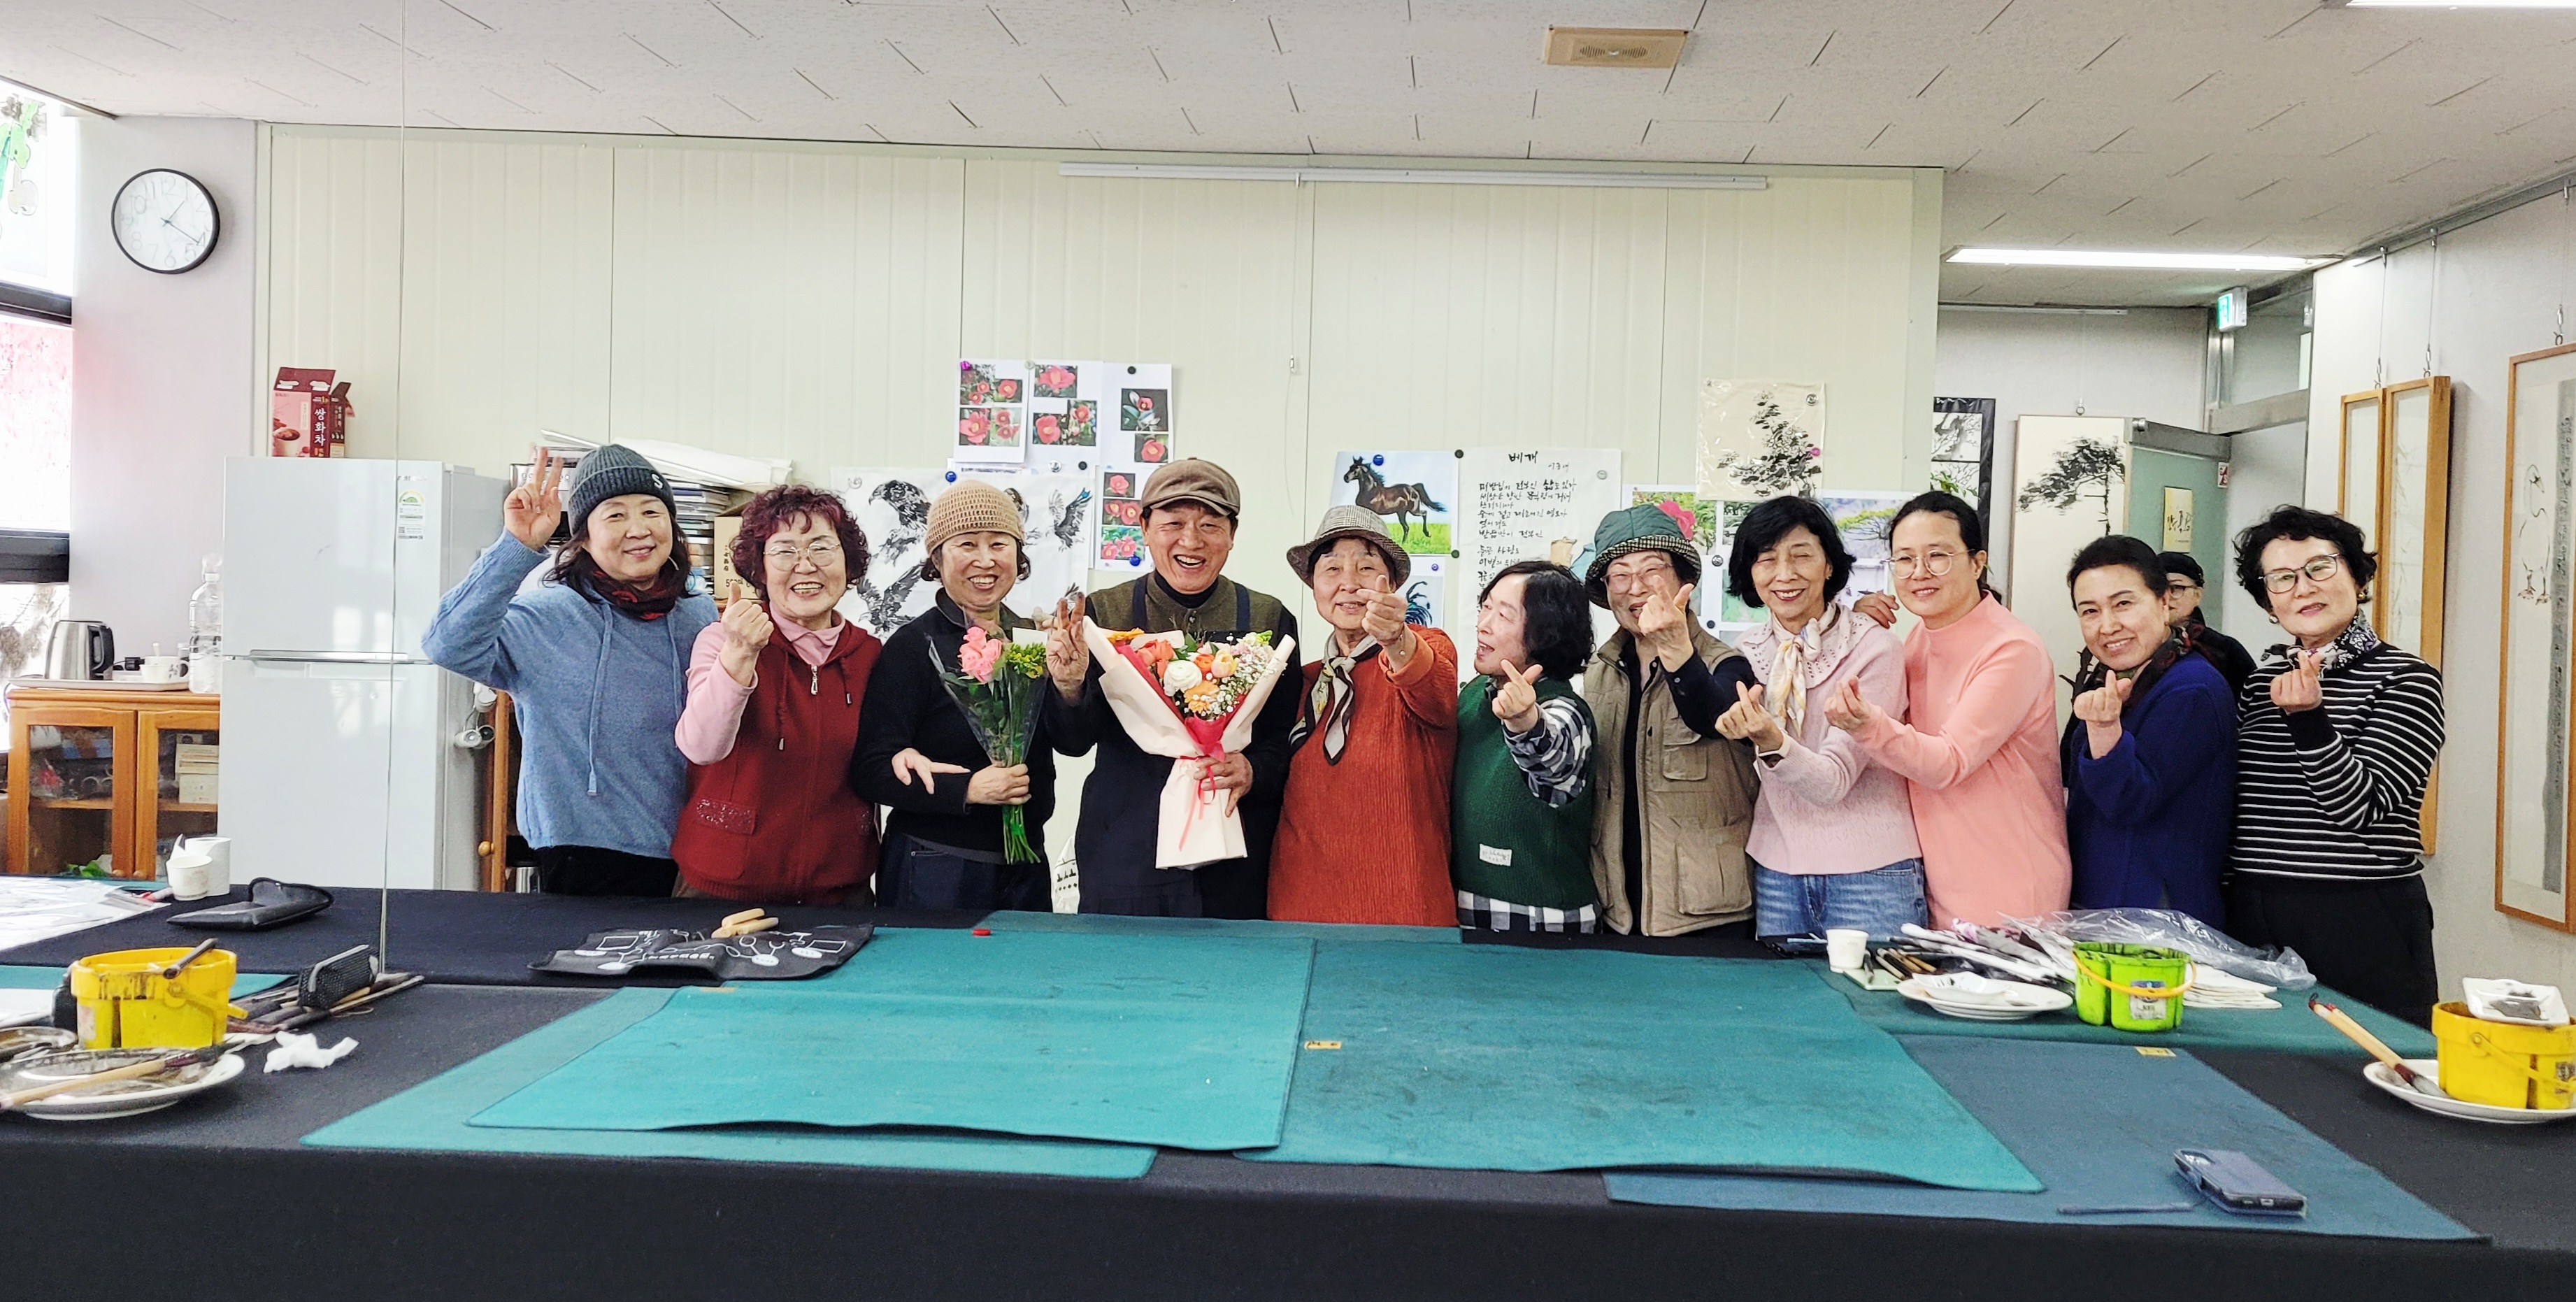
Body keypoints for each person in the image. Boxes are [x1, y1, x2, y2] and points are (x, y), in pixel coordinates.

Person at [423, 446, 714, 895]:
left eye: (651, 511)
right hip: (585, 847)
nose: (639, 529)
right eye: (615, 516)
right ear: (585, 537)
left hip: (692, 844)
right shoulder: (551, 614)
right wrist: (516, 547)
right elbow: (448, 644)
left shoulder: (698, 612)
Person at [1047, 460, 1303, 917]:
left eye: (1210, 525)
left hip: (1236, 857)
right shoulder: (1102, 615)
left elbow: (1284, 739)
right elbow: (1072, 742)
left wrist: (1253, 770)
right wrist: (1068, 687)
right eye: (1173, 524)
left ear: (1232, 534)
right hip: (1126, 851)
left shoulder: (1268, 619)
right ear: (1144, 528)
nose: (1191, 540)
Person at [2226, 506, 2445, 1024]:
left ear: (2357, 577)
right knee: (2255, 1062)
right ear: (2268, 601)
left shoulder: (2407, 678)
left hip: (2360, 914)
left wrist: (2309, 719)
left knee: (2371, 1061)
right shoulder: (2261, 683)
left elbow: (2361, 807)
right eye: (2282, 578)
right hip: (2254, 911)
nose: (2303, 588)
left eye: (2320, 568)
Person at [1824, 491, 2070, 929]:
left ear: (1977, 563)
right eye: (1904, 559)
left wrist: (1867, 725)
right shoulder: (1920, 636)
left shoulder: (2012, 649)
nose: (1919, 573)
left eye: (1937, 556)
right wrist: (1855, 622)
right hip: (1937, 878)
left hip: (2010, 883)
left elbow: (1947, 762)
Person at [1712, 496, 1924, 940]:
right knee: (1781, 991)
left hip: (1872, 874)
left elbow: (1832, 782)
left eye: (1801, 556)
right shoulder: (1744, 653)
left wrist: (1771, 741)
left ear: (1829, 565)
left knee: (1873, 989)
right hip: (1777, 872)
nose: (1784, 574)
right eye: (1766, 559)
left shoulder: (1874, 649)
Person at [851, 481, 1068, 912]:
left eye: (999, 544)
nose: (985, 560)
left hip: (1025, 862)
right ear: (937, 559)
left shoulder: (1033, 639)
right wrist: (967, 789)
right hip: (935, 865)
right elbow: (872, 769)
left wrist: (1072, 683)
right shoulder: (913, 646)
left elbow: (1071, 741)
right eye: (967, 544)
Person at [670, 485, 881, 905]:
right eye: (785, 551)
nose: (806, 566)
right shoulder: (722, 639)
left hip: (840, 889)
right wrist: (740, 654)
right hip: (721, 886)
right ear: (761, 569)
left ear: (848, 562)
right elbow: (701, 747)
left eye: (822, 548)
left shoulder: (869, 654)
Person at [1266, 508, 1459, 925]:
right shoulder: (1301, 680)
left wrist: (1396, 638)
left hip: (1406, 913)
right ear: (1314, 585)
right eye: (1332, 568)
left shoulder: (1426, 648)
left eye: (1366, 567)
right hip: (1297, 910)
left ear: (1392, 584)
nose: (1349, 582)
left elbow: (1437, 692)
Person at [1581, 504, 1762, 938]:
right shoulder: (1600, 669)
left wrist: (1676, 650)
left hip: (1708, 913)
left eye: (1652, 570)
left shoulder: (1728, 663)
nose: (1635, 587)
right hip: (1615, 909)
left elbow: (1713, 717)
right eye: (1619, 575)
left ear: (1683, 580)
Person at [2060, 536, 2235, 924]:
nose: (2108, 626)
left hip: (2155, 917)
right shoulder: (2118, 682)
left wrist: (2104, 729)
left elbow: (2129, 800)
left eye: (2123, 604)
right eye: (2090, 611)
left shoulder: (2192, 689)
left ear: (2164, 602)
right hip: (2107, 905)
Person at [1453, 561, 1602, 932]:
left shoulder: (1564, 709)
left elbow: (1553, 763)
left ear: (1545, 633)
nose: (1484, 624)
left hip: (1540, 918)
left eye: (1504, 615)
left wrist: (1524, 722)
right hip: (1468, 906)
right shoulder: (1476, 692)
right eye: (1486, 607)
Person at [2159, 549, 2256, 694]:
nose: (2166, 596)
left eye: (2176, 588)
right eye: (2159, 588)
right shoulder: (2137, 645)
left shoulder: (2225, 650)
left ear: (2197, 595)